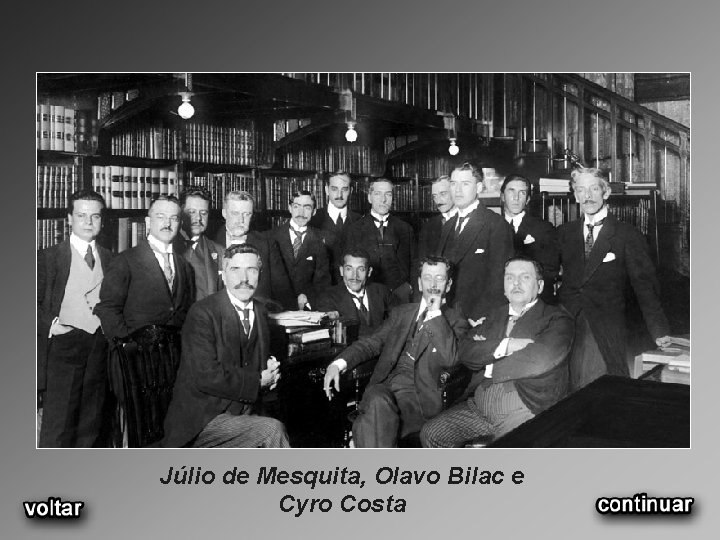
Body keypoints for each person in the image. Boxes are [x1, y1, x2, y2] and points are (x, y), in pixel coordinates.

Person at [421, 256, 574, 448]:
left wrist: (489, 358)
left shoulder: (558, 318)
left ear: (540, 286)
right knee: (431, 434)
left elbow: (541, 358)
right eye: (509, 278)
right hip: (480, 403)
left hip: (525, 406)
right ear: (503, 286)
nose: (516, 283)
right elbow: (464, 350)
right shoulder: (494, 315)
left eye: (525, 277)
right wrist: (507, 346)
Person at [323, 256, 469, 448]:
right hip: (384, 388)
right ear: (419, 283)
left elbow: (451, 359)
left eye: (439, 278)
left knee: (370, 417)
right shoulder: (402, 313)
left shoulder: (457, 321)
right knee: (377, 399)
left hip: (417, 400)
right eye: (427, 278)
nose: (433, 285)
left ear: (448, 285)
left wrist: (435, 314)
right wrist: (337, 364)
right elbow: (371, 343)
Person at [162, 244, 290, 448]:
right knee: (271, 430)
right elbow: (206, 376)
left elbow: (251, 357)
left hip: (244, 412)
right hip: (203, 419)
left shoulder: (260, 311)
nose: (244, 278)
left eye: (251, 270)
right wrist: (259, 381)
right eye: (235, 270)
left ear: (260, 274)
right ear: (223, 275)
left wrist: (271, 369)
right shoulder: (203, 313)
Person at [557, 167, 671, 391]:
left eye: (594, 189)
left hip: (605, 322)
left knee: (593, 385)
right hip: (567, 320)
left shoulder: (627, 235)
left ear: (606, 192)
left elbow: (645, 287)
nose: (587, 196)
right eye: (581, 190)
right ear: (575, 195)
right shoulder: (564, 233)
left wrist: (659, 329)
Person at [94, 194, 195, 446]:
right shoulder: (125, 260)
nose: (167, 223)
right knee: (139, 431)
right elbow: (107, 309)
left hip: (171, 365)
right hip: (135, 364)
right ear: (148, 221)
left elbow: (185, 314)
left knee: (168, 430)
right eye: (160, 217)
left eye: (174, 218)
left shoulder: (185, 267)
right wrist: (127, 347)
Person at [37, 189, 114, 447]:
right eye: (82, 216)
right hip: (63, 349)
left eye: (95, 216)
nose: (88, 222)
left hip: (99, 349)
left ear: (102, 220)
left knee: (92, 424)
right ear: (70, 218)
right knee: (59, 426)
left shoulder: (110, 258)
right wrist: (52, 325)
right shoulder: (48, 258)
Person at [438, 162, 514, 320]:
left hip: (478, 318)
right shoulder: (448, 225)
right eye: (453, 183)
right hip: (448, 315)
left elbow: (500, 280)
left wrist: (484, 319)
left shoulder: (496, 224)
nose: (457, 190)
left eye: (465, 184)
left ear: (479, 187)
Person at [214, 190, 293, 310]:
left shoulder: (266, 244)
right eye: (235, 213)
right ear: (224, 213)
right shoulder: (209, 242)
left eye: (246, 214)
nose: (241, 220)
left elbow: (283, 292)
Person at [343, 178, 415, 304]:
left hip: (400, 294)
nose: (383, 200)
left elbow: (414, 263)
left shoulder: (405, 228)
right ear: (369, 198)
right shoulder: (354, 229)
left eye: (388, 194)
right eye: (378, 194)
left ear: (393, 198)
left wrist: (408, 287)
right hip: (368, 294)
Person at [500, 173, 560, 304]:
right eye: (511, 191)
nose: (516, 198)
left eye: (522, 193)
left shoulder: (543, 228)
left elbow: (550, 271)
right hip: (500, 301)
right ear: (503, 196)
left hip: (534, 300)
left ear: (527, 199)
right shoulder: (492, 226)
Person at [315, 248, 397, 338]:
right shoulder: (327, 298)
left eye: (361, 269)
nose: (355, 276)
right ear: (341, 271)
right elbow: (338, 338)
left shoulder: (382, 292)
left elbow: (399, 324)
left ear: (369, 272)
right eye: (349, 269)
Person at [271, 190, 331, 310]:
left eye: (307, 207)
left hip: (307, 308)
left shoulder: (321, 241)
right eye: (296, 206)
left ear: (314, 211)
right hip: (276, 307)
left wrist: (308, 299)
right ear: (290, 208)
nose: (301, 213)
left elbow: (323, 283)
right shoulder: (271, 237)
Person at [309, 172, 361, 285]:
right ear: (326, 190)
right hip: (321, 289)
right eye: (334, 189)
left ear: (351, 191)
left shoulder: (361, 221)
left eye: (344, 189)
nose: (339, 195)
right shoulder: (312, 220)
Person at [176, 186, 224, 302]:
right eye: (191, 212)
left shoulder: (220, 252)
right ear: (180, 212)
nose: (198, 218)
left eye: (203, 213)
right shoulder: (167, 248)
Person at [414, 175, 457, 298]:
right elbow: (420, 264)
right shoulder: (429, 225)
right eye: (434, 196)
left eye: (443, 194)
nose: (438, 200)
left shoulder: (464, 224)